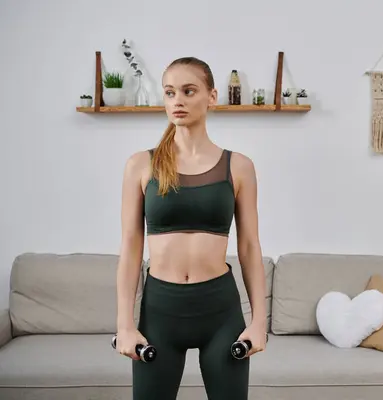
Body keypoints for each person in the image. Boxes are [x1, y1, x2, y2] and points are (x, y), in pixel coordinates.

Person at [115, 56, 268, 400]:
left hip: (219, 310)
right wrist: (124, 324)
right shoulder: (141, 165)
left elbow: (249, 247)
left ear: (212, 96)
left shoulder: (239, 166)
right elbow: (130, 247)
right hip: (160, 312)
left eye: (188, 91)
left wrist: (259, 322)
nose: (177, 101)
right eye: (169, 93)